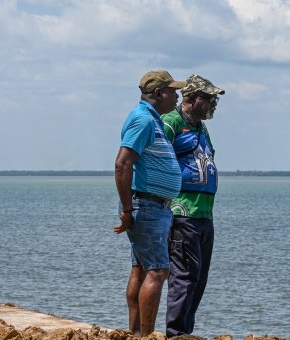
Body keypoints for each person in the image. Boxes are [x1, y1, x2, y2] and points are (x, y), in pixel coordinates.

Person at [113, 69, 185, 337]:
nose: (176, 98)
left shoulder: (151, 120)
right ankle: (145, 335)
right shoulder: (143, 120)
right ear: (158, 93)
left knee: (141, 268)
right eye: (173, 92)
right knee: (158, 271)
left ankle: (134, 333)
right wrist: (128, 210)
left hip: (152, 205)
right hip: (147, 205)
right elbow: (122, 163)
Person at [162, 74, 225, 337]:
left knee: (198, 279)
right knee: (185, 277)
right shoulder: (171, 122)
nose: (214, 103)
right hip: (182, 211)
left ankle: (185, 331)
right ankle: (176, 333)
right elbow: (153, 158)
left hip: (204, 213)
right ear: (191, 98)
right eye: (209, 98)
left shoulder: (201, 126)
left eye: (215, 99)